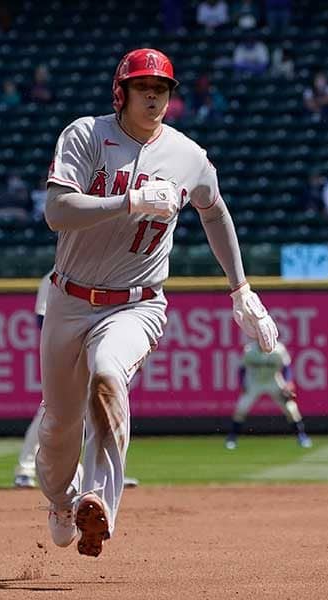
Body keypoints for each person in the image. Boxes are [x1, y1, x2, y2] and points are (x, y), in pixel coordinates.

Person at [39, 48, 278, 558]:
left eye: (163, 88)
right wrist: (127, 201)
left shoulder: (188, 156)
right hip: (70, 299)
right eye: (143, 86)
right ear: (120, 93)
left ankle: (98, 503)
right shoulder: (86, 135)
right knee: (59, 425)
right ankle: (61, 500)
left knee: (108, 376)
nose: (154, 95)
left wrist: (241, 288)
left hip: (136, 303)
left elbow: (214, 212)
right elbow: (58, 211)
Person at [14, 273, 140, 490]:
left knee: (104, 408)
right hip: (70, 351)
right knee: (53, 411)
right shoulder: (55, 277)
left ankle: (106, 475)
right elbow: (44, 321)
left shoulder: (112, 275)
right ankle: (25, 469)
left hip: (98, 350)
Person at [225, 340, 311, 450]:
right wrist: (242, 384)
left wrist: (288, 382)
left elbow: (286, 367)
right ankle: (232, 437)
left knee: (291, 408)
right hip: (254, 382)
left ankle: (302, 436)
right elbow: (242, 368)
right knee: (241, 409)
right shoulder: (249, 350)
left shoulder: (279, 349)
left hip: (273, 381)